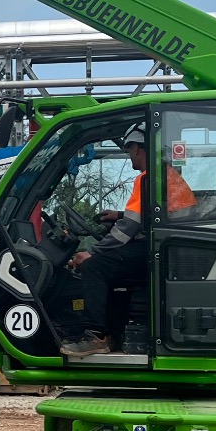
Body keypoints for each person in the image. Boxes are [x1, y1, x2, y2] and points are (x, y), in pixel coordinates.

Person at [62, 122, 193, 358]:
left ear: (137, 149)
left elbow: (128, 228)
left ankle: (96, 335)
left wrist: (93, 252)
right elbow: (147, 215)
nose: (128, 154)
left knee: (95, 267)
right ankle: (115, 334)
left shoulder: (148, 178)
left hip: (161, 247)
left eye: (128, 149)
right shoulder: (164, 174)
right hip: (172, 244)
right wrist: (118, 215)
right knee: (113, 268)